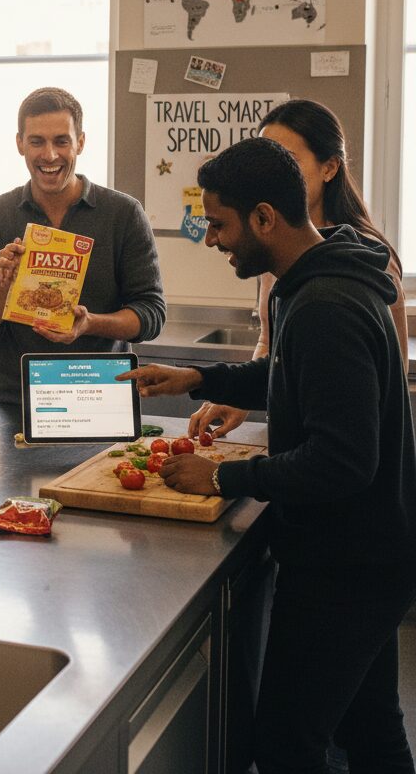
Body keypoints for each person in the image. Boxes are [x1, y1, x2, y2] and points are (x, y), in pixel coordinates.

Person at [120, 137, 416, 774]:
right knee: (371, 729)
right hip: (373, 553)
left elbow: (343, 461)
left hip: (346, 569)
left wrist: (222, 476)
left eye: (219, 224)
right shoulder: (311, 281)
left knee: (286, 747)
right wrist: (200, 378)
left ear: (263, 218)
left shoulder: (326, 307)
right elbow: (287, 375)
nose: (211, 238)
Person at [189, 98, 409, 439]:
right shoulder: (274, 248)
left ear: (329, 168)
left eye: (285, 159)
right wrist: (236, 396)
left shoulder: (359, 263)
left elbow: (387, 375)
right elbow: (272, 345)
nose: (268, 172)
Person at [0, 86, 166, 405]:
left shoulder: (124, 213)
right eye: (36, 141)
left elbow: (151, 314)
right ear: (20, 144)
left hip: (99, 396)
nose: (50, 155)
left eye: (61, 141)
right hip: (17, 398)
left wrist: (90, 324)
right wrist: (1, 282)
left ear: (80, 142)